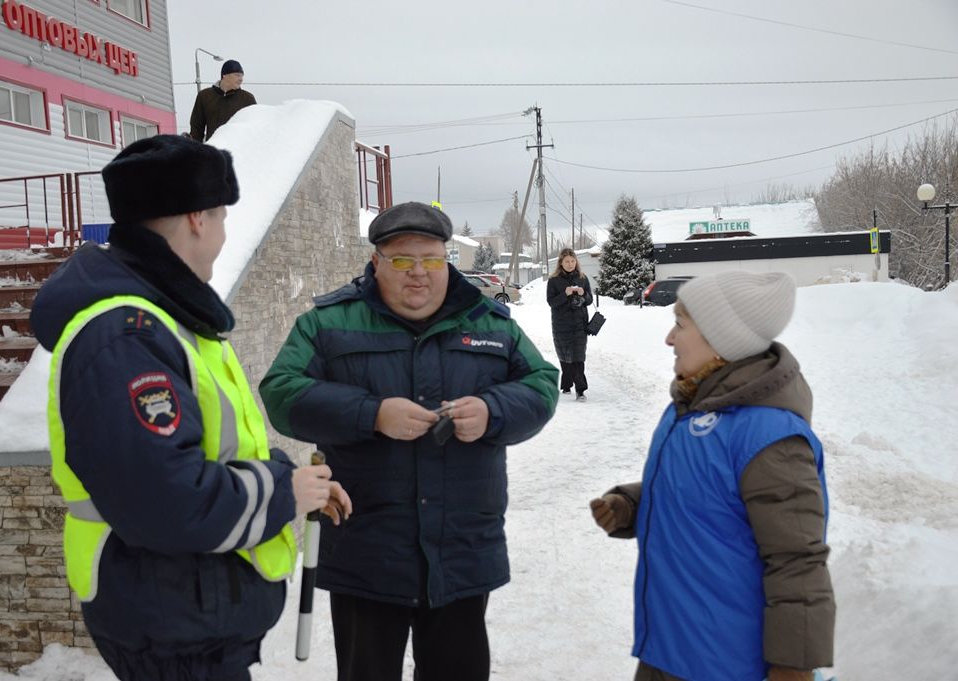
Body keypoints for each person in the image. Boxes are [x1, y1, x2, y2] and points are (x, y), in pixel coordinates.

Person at [30, 135, 352, 681]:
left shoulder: (169, 319)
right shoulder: (127, 334)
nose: (224, 232)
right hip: (171, 624)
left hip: (189, 617)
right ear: (198, 218)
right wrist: (283, 491)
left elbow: (217, 449)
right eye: (222, 215)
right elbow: (164, 498)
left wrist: (294, 481)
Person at [259, 201, 559, 681]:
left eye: (432, 259)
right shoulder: (328, 323)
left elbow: (542, 385)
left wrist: (492, 412)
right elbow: (281, 393)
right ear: (376, 262)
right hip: (366, 550)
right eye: (402, 260)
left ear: (447, 261)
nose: (418, 273)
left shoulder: (489, 323)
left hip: (460, 547)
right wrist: (371, 413)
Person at [589, 271, 834, 681]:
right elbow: (703, 494)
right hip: (665, 648)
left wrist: (793, 666)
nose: (669, 338)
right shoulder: (688, 410)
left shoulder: (771, 438)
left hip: (726, 663)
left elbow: (797, 560)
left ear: (723, 341)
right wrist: (632, 505)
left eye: (680, 325)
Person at [546, 247, 593, 401]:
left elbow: (590, 300)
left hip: (580, 323)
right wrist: (564, 294)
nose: (570, 264)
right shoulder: (553, 280)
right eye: (567, 261)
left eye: (573, 261)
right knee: (565, 355)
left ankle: (580, 390)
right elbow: (551, 302)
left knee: (578, 356)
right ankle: (566, 384)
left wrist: (583, 294)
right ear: (561, 262)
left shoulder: (582, 278)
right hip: (561, 324)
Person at [189, 59, 257, 142]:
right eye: (237, 75)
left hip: (237, 151)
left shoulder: (247, 99)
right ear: (224, 75)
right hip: (214, 151)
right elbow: (196, 128)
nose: (241, 79)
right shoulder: (204, 96)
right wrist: (196, 151)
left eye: (242, 76)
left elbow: (254, 127)